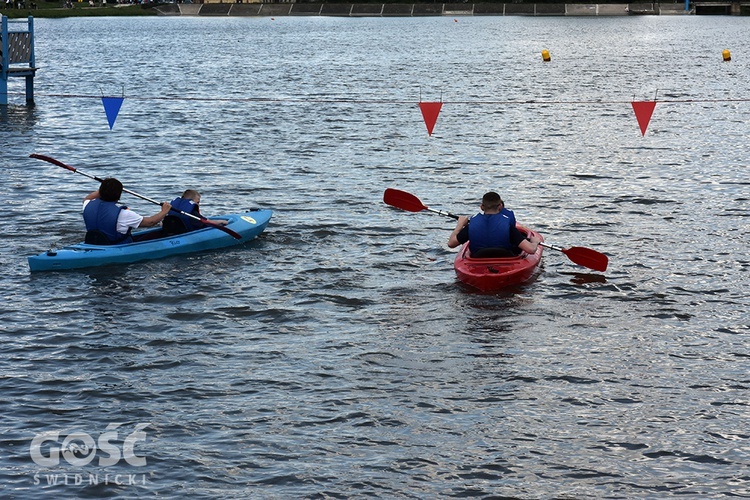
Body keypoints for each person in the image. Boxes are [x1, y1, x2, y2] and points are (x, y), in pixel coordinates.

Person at [447, 191, 541, 257]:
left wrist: (460, 224)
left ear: (481, 207)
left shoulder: (472, 225)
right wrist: (535, 242)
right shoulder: (508, 226)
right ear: (500, 206)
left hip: (478, 259)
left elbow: (451, 244)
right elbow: (531, 250)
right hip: (505, 259)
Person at [83, 178, 171, 245]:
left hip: (93, 243)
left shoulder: (87, 205)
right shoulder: (123, 214)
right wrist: (164, 211)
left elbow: (88, 198)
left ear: (100, 192)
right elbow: (151, 222)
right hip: (115, 246)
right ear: (119, 196)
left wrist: (104, 188)